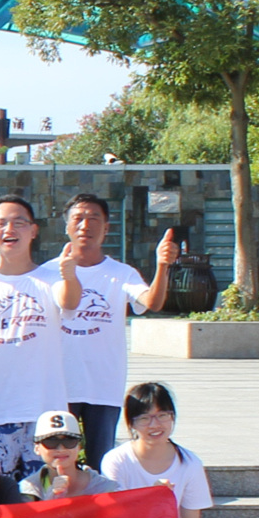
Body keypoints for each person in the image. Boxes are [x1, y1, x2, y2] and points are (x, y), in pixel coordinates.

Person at [0, 196, 82, 483]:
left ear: (33, 230)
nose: (9, 229)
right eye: (0, 224)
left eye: (19, 223)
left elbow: (70, 302)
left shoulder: (52, 279)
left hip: (45, 417)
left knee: (46, 495)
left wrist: (70, 276)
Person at [61, 196, 181, 469]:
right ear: (66, 226)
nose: (85, 225)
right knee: (59, 461)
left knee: (101, 463)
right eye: (78, 218)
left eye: (94, 218)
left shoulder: (121, 273)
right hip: (60, 385)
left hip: (104, 385)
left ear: (106, 228)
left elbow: (152, 302)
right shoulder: (47, 273)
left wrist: (162, 265)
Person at [100, 381, 210, 518]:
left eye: (162, 415)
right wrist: (150, 499)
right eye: (144, 418)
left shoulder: (190, 463)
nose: (155, 424)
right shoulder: (116, 460)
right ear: (132, 423)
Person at [22, 409, 122, 501]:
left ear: (79, 446)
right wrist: (52, 500)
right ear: (37, 448)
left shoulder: (108, 490)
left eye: (69, 441)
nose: (61, 449)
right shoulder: (25, 492)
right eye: (51, 441)